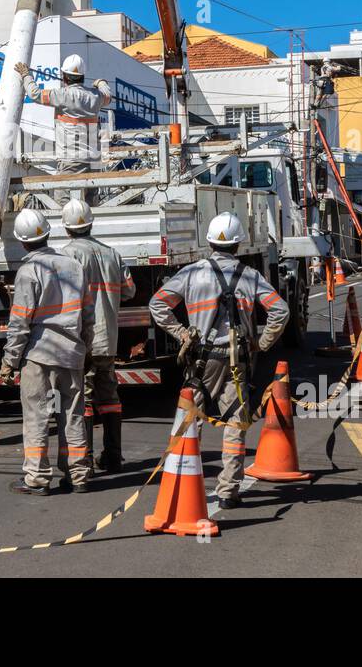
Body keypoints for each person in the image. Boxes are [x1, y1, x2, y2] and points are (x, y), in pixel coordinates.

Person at [148, 212, 291, 509]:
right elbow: (281, 311)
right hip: (238, 360)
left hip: (202, 360)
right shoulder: (250, 276)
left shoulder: (191, 273)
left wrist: (182, 334)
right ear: (238, 245)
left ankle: (183, 485)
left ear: (209, 242)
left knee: (189, 420)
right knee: (236, 423)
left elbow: (157, 304)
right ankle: (228, 490)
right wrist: (261, 344)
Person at [0, 209, 95, 495]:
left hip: (40, 355)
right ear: (48, 233)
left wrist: (10, 361)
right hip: (72, 352)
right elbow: (88, 315)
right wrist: (85, 347)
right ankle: (78, 475)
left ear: (22, 242)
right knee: (73, 413)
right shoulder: (73, 266)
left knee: (37, 416)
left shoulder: (29, 271)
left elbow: (20, 321)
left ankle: (37, 479)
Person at [59, 198, 135, 472]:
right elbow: (130, 290)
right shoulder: (112, 253)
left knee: (85, 401)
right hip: (109, 342)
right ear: (91, 224)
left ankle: (86, 459)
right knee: (110, 399)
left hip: (84, 343)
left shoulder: (67, 255)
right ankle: (113, 456)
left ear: (65, 227)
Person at [13, 54, 112, 204]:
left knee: (64, 205)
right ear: (82, 76)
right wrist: (101, 83)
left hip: (71, 160)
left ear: (64, 76)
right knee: (90, 206)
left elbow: (35, 94)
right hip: (93, 160)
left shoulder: (62, 95)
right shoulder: (95, 96)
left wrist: (26, 75)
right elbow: (108, 96)